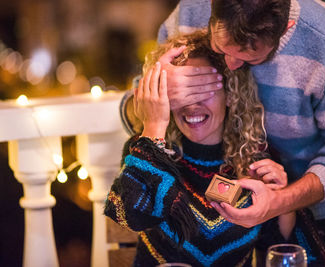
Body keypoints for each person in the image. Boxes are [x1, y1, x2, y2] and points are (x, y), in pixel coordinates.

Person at [120, 0, 325, 265]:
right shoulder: (191, 12)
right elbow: (136, 107)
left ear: (285, 28)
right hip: (255, 180)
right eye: (220, 48)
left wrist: (282, 201)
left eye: (250, 57)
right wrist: (160, 92)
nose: (231, 67)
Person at [105, 30, 292, 266]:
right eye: (183, 92)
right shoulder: (148, 152)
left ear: (231, 93)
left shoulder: (257, 160)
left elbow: (276, 246)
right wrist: (153, 125)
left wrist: (282, 200)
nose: (192, 104)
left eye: (204, 89)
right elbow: (127, 215)